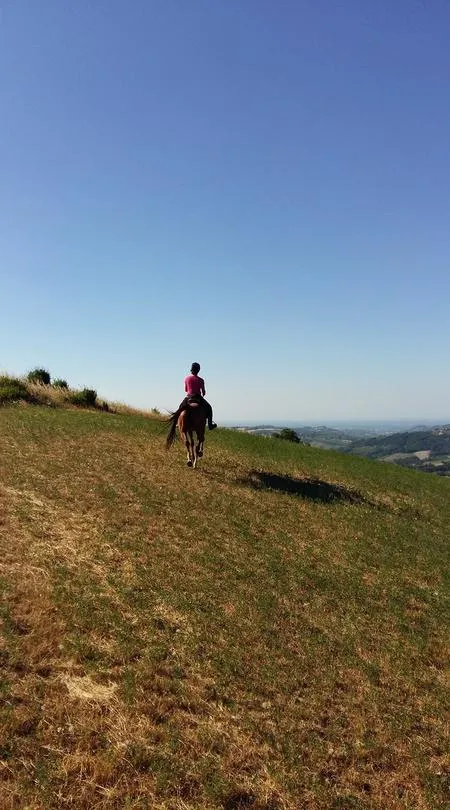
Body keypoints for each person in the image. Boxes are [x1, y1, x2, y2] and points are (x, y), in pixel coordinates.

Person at [178, 362, 217, 430]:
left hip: (189, 397)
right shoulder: (201, 380)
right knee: (209, 408)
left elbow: (186, 390)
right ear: (198, 370)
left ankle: (178, 423)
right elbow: (203, 392)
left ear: (191, 370)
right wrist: (202, 394)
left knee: (180, 408)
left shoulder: (187, 378)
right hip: (198, 398)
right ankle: (210, 425)